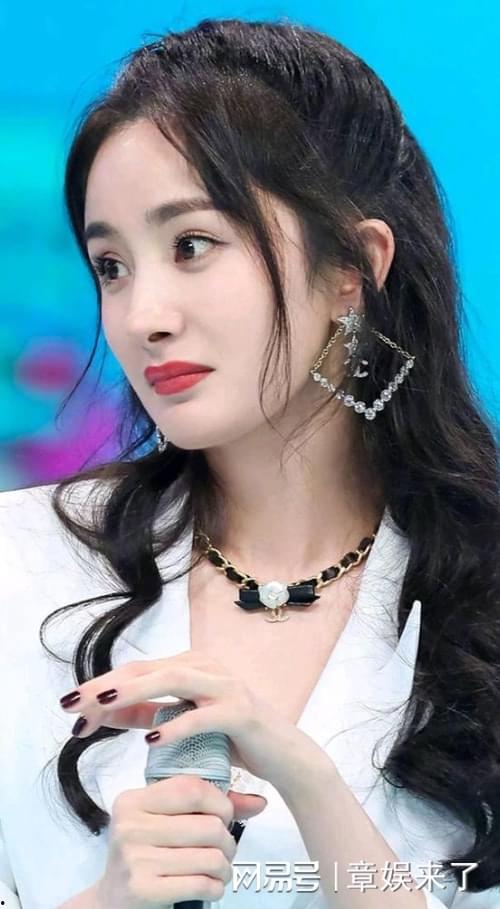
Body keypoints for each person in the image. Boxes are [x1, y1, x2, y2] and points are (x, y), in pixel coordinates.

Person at [0, 15, 499, 909]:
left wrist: (308, 782)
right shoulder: (19, 562)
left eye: (191, 245)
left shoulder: (482, 587)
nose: (143, 316)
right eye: (111, 265)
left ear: (352, 268)